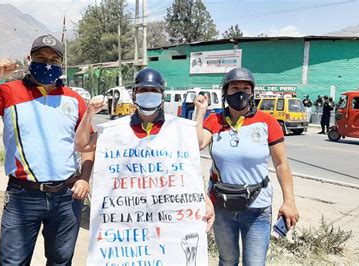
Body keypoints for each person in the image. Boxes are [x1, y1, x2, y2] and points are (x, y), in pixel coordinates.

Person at [0, 34, 94, 265]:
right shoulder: (7, 92)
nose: (47, 63)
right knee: (13, 262)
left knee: (61, 261)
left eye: (54, 59)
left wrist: (84, 178)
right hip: (23, 196)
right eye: (41, 57)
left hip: (66, 196)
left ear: (61, 64)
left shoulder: (74, 99)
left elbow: (88, 144)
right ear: (29, 58)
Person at [74, 68, 215, 254]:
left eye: (154, 91)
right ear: (134, 94)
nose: (149, 94)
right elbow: (82, 145)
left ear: (162, 95)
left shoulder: (177, 129)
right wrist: (89, 114)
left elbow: (185, 173)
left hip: (167, 219)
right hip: (127, 221)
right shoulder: (115, 131)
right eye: (143, 90)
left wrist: (203, 200)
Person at [194, 67, 299, 265]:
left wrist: (289, 201)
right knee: (228, 260)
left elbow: (281, 164)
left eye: (245, 88)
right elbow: (197, 144)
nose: (240, 92)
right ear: (225, 92)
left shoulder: (267, 122)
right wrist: (200, 113)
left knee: (254, 263)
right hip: (222, 206)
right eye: (234, 88)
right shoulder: (215, 120)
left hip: (257, 208)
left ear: (252, 93)